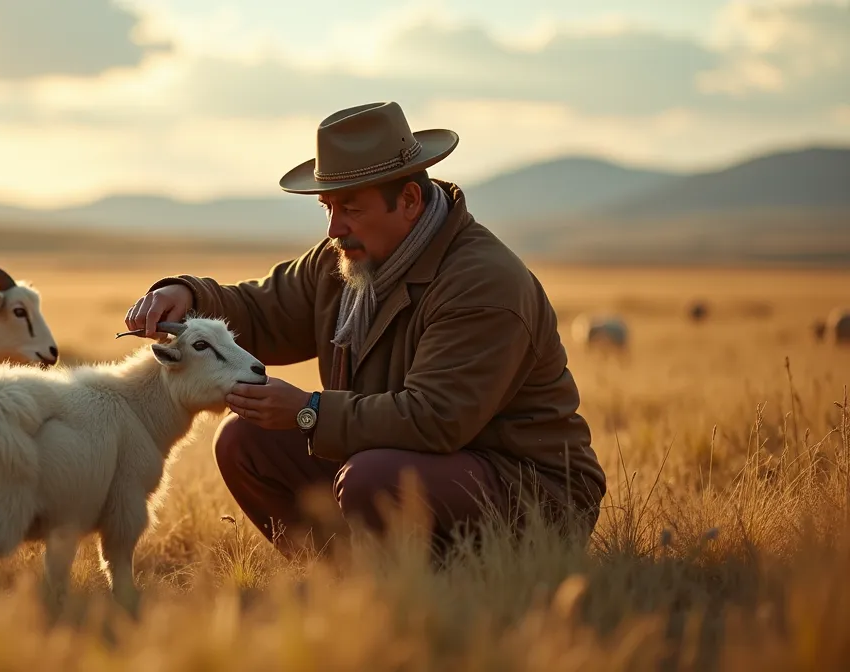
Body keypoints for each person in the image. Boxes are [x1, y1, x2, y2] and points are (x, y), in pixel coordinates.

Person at [123, 101, 606, 558]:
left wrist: (309, 411)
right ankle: (346, 584)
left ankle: (446, 585)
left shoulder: (482, 284)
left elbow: (435, 420)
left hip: (527, 492)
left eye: (351, 209)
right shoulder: (347, 260)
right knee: (242, 440)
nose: (334, 228)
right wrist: (187, 295)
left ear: (411, 200)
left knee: (373, 477)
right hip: (407, 461)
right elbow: (263, 309)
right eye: (327, 208)